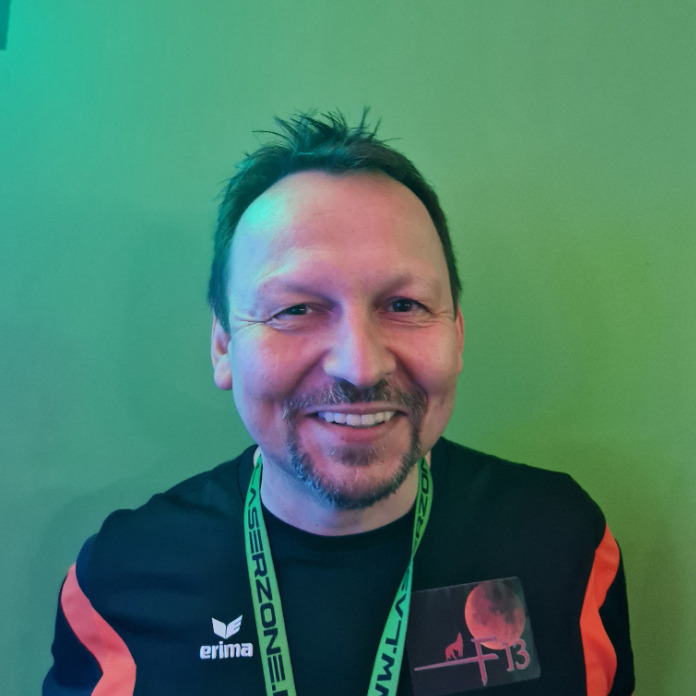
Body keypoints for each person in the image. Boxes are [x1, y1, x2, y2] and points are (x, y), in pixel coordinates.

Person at [44, 111, 634, 696]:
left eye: (403, 305)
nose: (361, 367)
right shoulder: (120, 583)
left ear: (456, 333)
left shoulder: (563, 545)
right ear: (223, 347)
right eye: (296, 309)